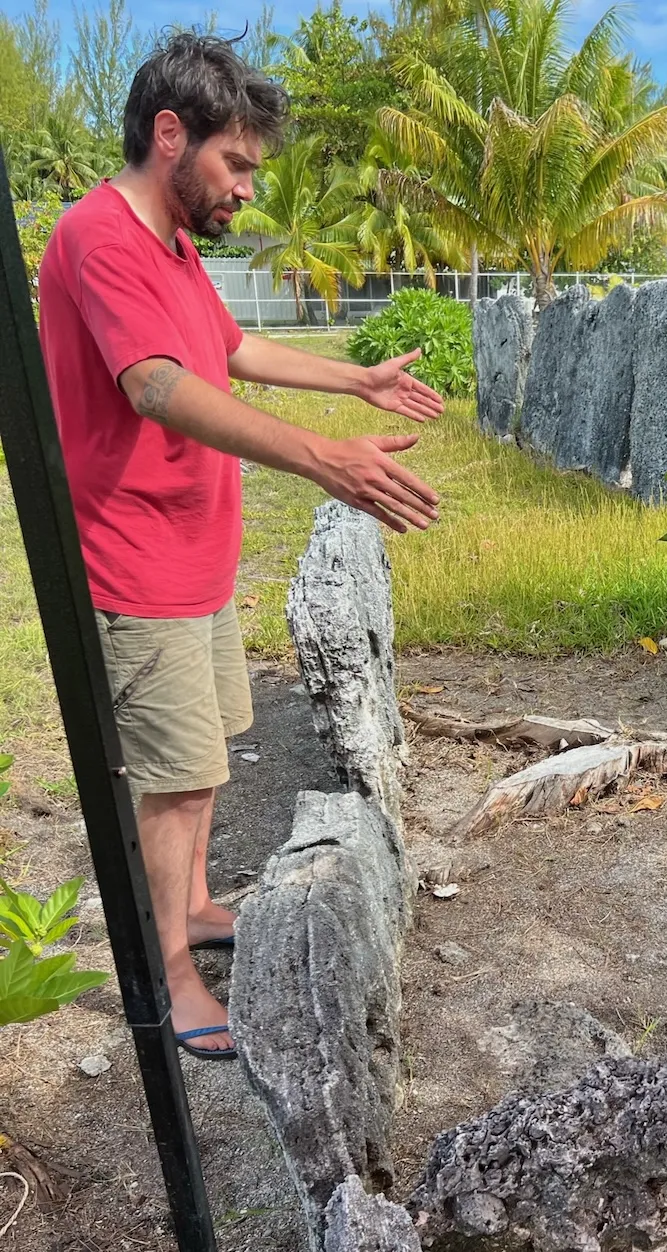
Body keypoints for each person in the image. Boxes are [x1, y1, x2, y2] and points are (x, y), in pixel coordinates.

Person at [37, 33, 444, 1060]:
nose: (247, 190)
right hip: (134, 559)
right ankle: (168, 970)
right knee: (171, 779)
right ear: (170, 133)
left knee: (204, 759)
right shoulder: (100, 237)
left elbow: (228, 348)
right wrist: (322, 458)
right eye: (238, 163)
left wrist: (351, 379)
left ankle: (200, 904)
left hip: (197, 552)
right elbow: (157, 385)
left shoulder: (171, 246)